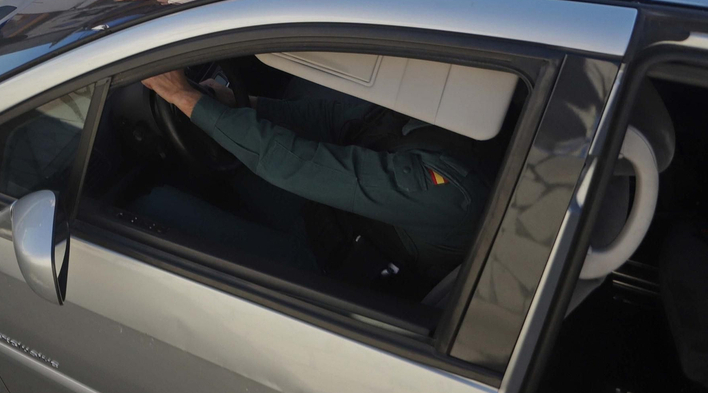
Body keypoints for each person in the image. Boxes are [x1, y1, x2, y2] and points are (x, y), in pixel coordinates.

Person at [140, 68, 491, 294]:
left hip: (328, 270)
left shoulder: (448, 190)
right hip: (334, 215)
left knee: (152, 206)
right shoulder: (463, 124)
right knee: (229, 176)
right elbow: (339, 120)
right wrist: (234, 102)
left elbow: (295, 164)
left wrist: (184, 97)